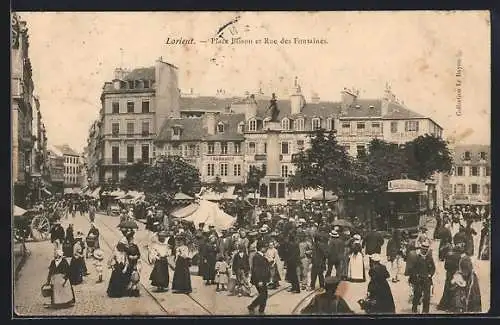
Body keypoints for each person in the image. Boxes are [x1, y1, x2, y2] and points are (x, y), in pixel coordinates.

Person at [450, 242, 482, 312]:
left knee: (468, 294)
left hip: (469, 279)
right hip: (468, 277)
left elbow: (466, 272)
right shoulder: (464, 258)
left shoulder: (464, 259)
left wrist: (459, 274)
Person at [408, 240, 435, 313]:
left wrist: (430, 274)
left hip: (427, 279)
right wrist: (415, 275)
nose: (425, 250)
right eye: (423, 249)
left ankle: (425, 311)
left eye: (426, 249)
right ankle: (414, 309)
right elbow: (412, 268)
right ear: (421, 249)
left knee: (427, 297)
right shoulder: (417, 257)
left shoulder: (429, 258)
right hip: (418, 279)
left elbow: (433, 268)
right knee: (417, 295)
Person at [247, 241, 271, 315]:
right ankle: (253, 306)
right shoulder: (257, 257)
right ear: (261, 248)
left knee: (264, 295)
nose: (266, 248)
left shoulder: (261, 256)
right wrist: (260, 280)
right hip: (259, 280)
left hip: (263, 279)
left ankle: (260, 310)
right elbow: (256, 270)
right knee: (264, 295)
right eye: (265, 247)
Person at [437, 242, 462, 311]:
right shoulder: (459, 256)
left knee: (447, 289)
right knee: (454, 289)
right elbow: (460, 267)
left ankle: (444, 305)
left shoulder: (448, 255)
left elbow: (445, 266)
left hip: (448, 273)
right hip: (455, 274)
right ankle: (451, 306)